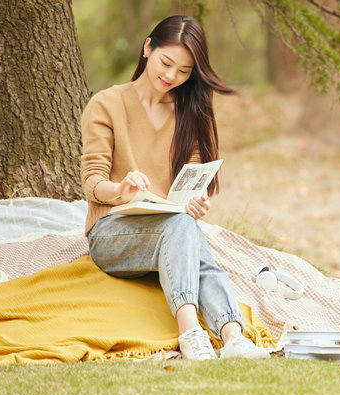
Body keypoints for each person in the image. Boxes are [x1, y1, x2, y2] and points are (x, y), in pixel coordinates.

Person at [80, 15, 269, 360]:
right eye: (166, 63)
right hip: (111, 232)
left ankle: (233, 336)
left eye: (184, 72)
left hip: (170, 225)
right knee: (183, 228)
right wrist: (121, 189)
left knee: (186, 226)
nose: (171, 77)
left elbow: (194, 177)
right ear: (147, 47)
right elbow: (92, 182)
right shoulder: (106, 104)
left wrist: (196, 201)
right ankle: (191, 333)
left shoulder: (187, 111)